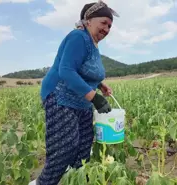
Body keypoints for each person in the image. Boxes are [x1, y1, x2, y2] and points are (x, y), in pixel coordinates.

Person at [29, 1, 119, 185]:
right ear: (88, 21)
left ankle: (74, 180)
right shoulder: (78, 37)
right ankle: (43, 183)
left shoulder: (93, 44)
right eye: (103, 23)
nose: (107, 29)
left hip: (81, 101)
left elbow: (84, 69)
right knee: (65, 147)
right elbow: (67, 70)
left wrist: (99, 85)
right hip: (60, 97)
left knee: (84, 147)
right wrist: (95, 97)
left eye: (109, 26)